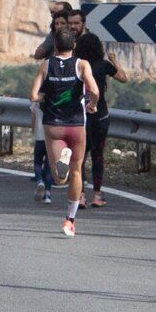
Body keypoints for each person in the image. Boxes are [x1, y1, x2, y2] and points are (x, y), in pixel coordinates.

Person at [31, 28, 99, 237]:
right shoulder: (82, 64)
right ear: (74, 46)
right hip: (76, 125)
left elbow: (33, 95)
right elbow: (94, 91)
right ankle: (70, 220)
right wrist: (93, 105)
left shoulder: (46, 64)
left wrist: (47, 97)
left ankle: (64, 164)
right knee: (77, 171)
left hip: (53, 125)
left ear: (55, 46)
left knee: (60, 179)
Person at [74, 33, 127, 208]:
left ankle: (80, 196)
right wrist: (114, 60)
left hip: (81, 117)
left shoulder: (78, 66)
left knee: (80, 156)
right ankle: (96, 195)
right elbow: (123, 78)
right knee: (98, 155)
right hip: (101, 116)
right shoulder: (103, 65)